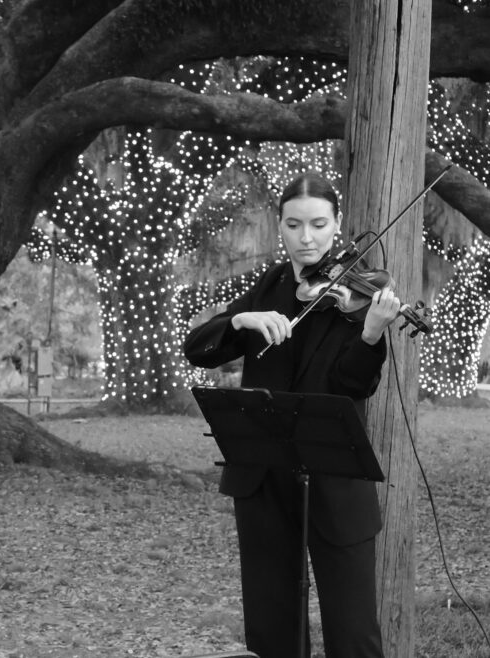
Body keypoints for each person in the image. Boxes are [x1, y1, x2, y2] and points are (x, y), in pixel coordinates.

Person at [183, 172, 401, 658]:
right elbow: (197, 349)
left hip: (335, 480)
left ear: (336, 225)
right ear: (279, 226)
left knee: (353, 634)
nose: (307, 238)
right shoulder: (271, 286)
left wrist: (370, 335)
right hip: (263, 481)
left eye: (319, 224)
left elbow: (353, 385)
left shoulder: (355, 296)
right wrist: (240, 320)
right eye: (294, 225)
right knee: (272, 629)